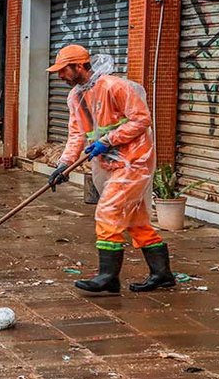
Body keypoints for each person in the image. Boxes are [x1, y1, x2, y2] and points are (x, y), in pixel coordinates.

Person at [47, 44, 175, 294]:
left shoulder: (115, 86)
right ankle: (162, 274)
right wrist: (63, 165)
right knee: (135, 221)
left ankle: (108, 277)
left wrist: (107, 141)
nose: (60, 76)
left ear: (80, 66)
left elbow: (142, 119)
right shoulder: (75, 96)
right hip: (110, 163)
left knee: (108, 212)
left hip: (134, 161)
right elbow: (77, 134)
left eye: (64, 70)